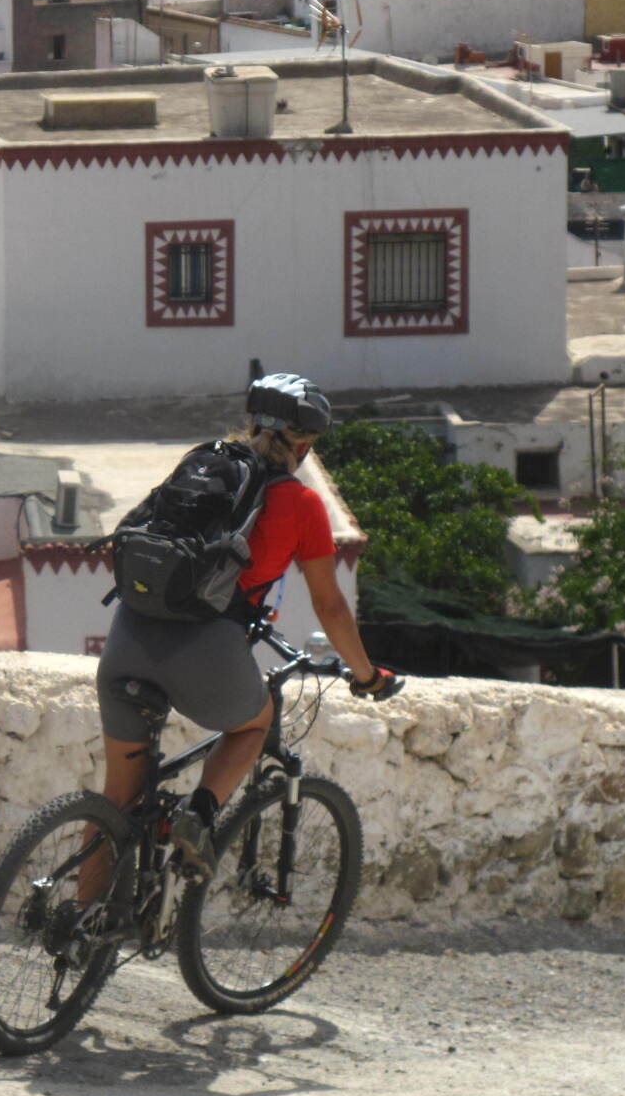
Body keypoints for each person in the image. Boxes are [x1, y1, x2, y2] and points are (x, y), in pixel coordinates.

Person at [93, 373, 400, 879]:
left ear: (253, 422)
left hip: (128, 631)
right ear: (302, 443)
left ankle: (80, 928)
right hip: (205, 649)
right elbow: (331, 607)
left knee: (117, 803)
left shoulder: (201, 465)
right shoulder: (301, 504)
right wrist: (366, 676)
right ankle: (201, 816)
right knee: (252, 725)